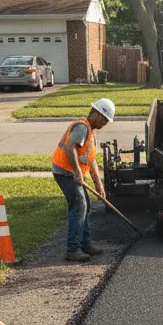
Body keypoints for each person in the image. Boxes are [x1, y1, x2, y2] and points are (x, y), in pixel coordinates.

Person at [51, 98, 115, 262]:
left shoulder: (90, 132)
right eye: (104, 120)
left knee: (84, 205)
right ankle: (73, 249)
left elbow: (90, 160)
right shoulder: (81, 128)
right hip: (65, 172)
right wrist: (78, 172)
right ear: (96, 114)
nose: (104, 124)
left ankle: (85, 245)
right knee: (79, 206)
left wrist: (99, 184)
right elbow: (69, 148)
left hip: (72, 172)